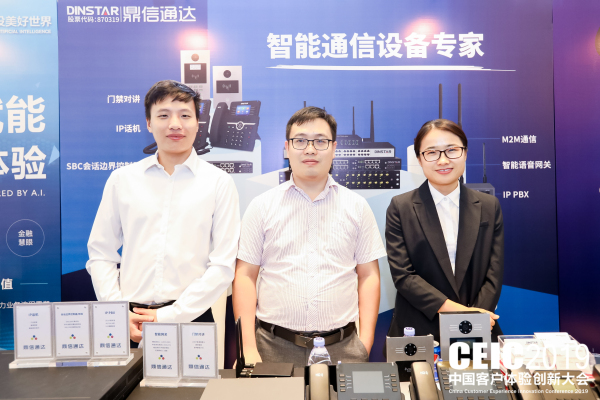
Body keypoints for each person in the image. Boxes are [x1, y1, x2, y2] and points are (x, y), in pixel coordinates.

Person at [86, 80, 240, 345]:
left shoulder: (219, 183)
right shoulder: (123, 180)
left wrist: (170, 315)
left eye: (185, 116)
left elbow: (223, 265)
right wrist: (117, 312)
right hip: (129, 321)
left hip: (191, 319)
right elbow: (101, 253)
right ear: (148, 123)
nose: (175, 124)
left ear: (198, 123)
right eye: (164, 115)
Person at [233, 107, 386, 368]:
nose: (310, 149)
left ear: (334, 148)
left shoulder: (357, 206)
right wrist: (247, 347)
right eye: (300, 141)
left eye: (320, 141)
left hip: (344, 349)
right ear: (287, 148)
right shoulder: (261, 206)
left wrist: (365, 343)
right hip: (272, 347)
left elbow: (369, 275)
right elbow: (245, 276)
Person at [386, 119, 503, 342]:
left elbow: (493, 273)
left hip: (478, 328)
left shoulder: (489, 206)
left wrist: (475, 318)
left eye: (452, 150)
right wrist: (465, 314)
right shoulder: (401, 207)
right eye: (431, 152)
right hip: (420, 329)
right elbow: (404, 276)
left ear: (465, 153)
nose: (443, 160)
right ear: (420, 159)